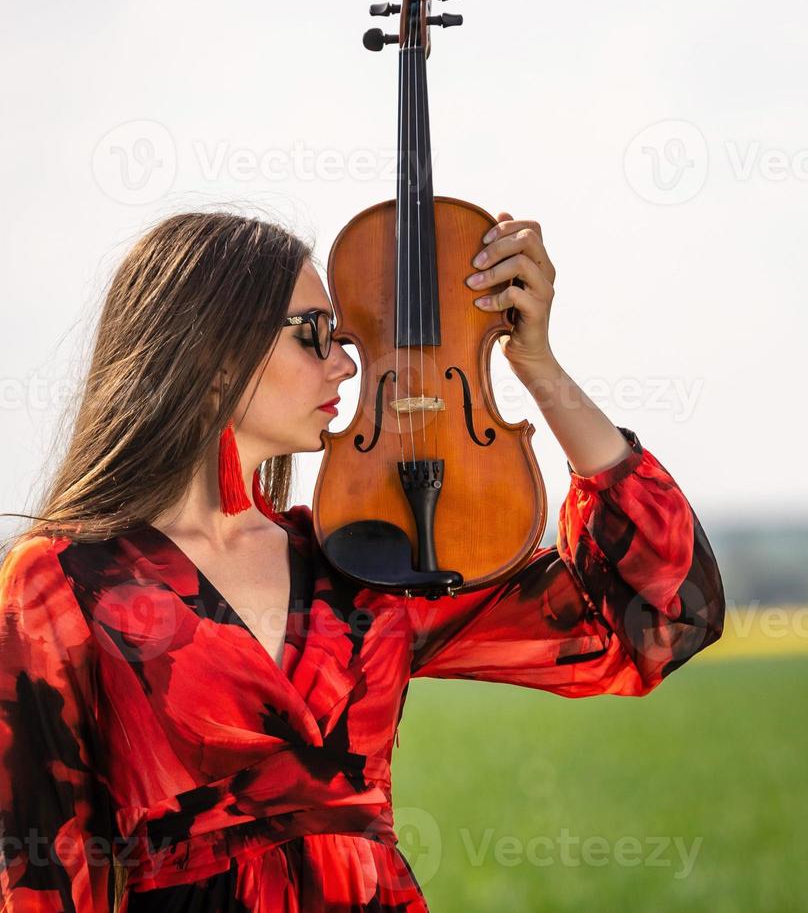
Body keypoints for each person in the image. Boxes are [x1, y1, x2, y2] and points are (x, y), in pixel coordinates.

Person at [0, 210, 725, 911]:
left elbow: (656, 618)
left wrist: (535, 363)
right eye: (314, 334)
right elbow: (36, 873)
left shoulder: (365, 567)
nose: (346, 363)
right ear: (213, 353)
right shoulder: (61, 580)